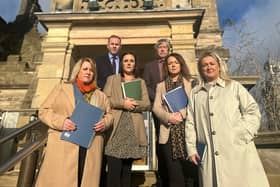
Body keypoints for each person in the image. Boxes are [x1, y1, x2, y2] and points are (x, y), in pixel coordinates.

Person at [185, 52, 269, 187]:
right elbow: (190, 123)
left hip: (237, 149)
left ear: (219, 66)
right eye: (204, 65)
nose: (208, 67)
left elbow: (252, 110)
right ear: (200, 70)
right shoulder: (195, 93)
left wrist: (243, 132)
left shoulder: (234, 86)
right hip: (209, 155)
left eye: (212, 64)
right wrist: (192, 149)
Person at [35, 57, 113, 187]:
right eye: (85, 69)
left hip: (90, 146)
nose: (88, 72)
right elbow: (43, 111)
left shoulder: (101, 95)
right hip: (64, 144)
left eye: (91, 70)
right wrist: (62, 121)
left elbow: (109, 115)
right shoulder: (62, 88)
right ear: (78, 71)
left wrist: (105, 123)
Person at [103, 52, 151, 187]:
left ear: (135, 64)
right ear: (121, 63)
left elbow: (147, 104)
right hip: (115, 129)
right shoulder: (112, 79)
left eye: (131, 60)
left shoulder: (140, 82)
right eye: (125, 60)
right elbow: (105, 100)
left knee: (126, 172)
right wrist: (122, 103)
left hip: (133, 130)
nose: (129, 63)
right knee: (113, 171)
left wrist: (133, 105)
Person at [153, 53, 198, 187]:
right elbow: (156, 107)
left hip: (188, 133)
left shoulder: (190, 83)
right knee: (174, 174)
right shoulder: (160, 86)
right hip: (168, 134)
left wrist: (182, 114)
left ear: (181, 65)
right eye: (170, 63)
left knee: (190, 174)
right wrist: (169, 117)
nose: (173, 65)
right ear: (166, 67)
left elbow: (194, 104)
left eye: (176, 62)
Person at [143, 38, 171, 187]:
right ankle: (161, 176)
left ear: (169, 49)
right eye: (160, 47)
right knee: (160, 139)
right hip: (157, 107)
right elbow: (146, 85)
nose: (162, 49)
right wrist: (157, 99)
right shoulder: (149, 66)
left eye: (165, 47)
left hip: (174, 108)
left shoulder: (174, 63)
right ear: (157, 50)